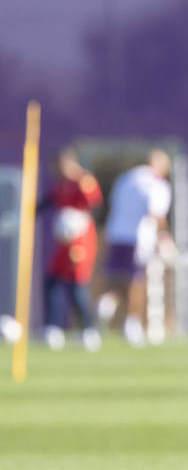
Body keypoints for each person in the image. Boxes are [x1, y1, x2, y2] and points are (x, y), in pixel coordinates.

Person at [99, 149, 173, 347]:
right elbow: (155, 214)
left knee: (116, 278)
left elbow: (112, 205)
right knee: (136, 281)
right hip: (138, 238)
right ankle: (132, 325)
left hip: (115, 234)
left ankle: (107, 304)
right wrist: (164, 237)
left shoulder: (125, 179)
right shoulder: (157, 184)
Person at [38, 148, 103, 351]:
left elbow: (96, 206)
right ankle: (52, 329)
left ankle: (89, 331)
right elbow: (46, 203)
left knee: (76, 285)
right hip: (63, 242)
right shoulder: (61, 184)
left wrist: (77, 222)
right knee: (52, 280)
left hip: (80, 241)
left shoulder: (84, 181)